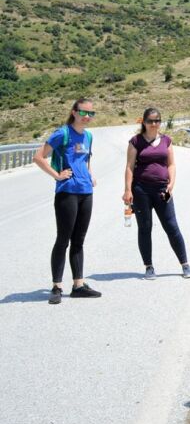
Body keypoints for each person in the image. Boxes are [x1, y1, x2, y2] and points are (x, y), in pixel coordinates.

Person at [33, 98, 102, 304]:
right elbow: (39, 157)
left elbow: (86, 158)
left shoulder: (89, 135)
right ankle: (56, 287)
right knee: (63, 239)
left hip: (86, 192)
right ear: (74, 112)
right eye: (83, 112)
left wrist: (90, 174)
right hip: (67, 192)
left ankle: (78, 285)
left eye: (91, 113)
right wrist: (56, 175)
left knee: (79, 241)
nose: (87, 116)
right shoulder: (62, 133)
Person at [123, 108, 190, 280]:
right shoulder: (135, 141)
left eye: (157, 121)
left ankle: (185, 264)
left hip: (163, 190)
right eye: (150, 121)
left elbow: (171, 165)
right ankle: (149, 267)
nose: (154, 124)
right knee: (145, 228)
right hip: (141, 191)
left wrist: (171, 184)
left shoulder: (166, 141)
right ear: (144, 122)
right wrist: (127, 190)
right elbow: (129, 167)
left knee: (172, 226)